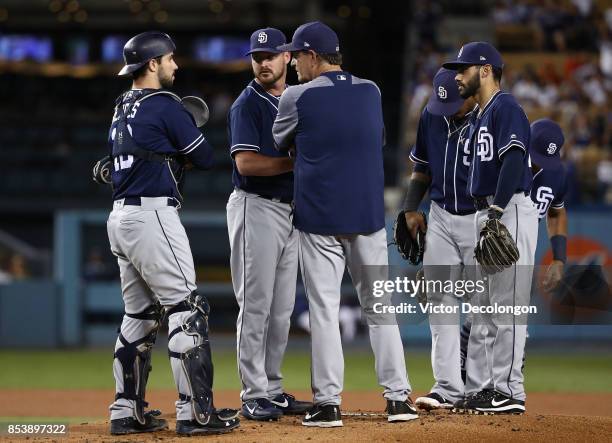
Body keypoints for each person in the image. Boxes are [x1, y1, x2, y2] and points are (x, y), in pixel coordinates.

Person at [273, 21, 418, 427]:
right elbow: (376, 139)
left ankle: (328, 403)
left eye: (297, 55)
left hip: (319, 217)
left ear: (313, 56)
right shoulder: (370, 91)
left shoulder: (296, 96)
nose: (293, 62)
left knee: (324, 310)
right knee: (380, 310)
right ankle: (399, 399)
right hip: (369, 217)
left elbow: (280, 143)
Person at [104, 31, 239, 436]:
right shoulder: (165, 104)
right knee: (187, 309)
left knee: (139, 314)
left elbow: (119, 161)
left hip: (120, 217)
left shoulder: (120, 105)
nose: (175, 65)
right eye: (169, 59)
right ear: (152, 64)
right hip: (152, 217)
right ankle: (196, 412)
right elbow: (206, 157)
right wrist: (180, 139)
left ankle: (125, 411)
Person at [443, 41, 538, 414]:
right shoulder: (482, 113)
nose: (457, 75)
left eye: (463, 68)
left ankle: (510, 391)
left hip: (508, 208)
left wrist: (497, 211)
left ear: (485, 70)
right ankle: (485, 387)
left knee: (507, 306)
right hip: (488, 213)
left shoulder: (506, 107)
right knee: (482, 309)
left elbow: (515, 158)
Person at [226, 27, 311, 421]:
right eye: (257, 57)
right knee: (256, 305)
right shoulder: (248, 104)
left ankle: (272, 389)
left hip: (290, 210)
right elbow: (246, 163)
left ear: (287, 57)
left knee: (282, 310)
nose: (263, 62)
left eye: (270, 55)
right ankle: (253, 392)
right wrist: (298, 162)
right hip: (255, 206)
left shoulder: (296, 99)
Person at [459, 118, 569, 390]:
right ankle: (467, 380)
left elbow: (557, 210)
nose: (542, 163)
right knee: (480, 313)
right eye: (539, 156)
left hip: (522, 246)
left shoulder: (557, 173)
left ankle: (506, 386)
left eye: (548, 158)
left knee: (510, 314)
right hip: (493, 238)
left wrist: (559, 257)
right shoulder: (506, 162)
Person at [400, 67, 477, 411]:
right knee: (438, 299)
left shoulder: (491, 117)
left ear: (471, 93)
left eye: (455, 104)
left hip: (481, 214)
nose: (446, 110)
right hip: (442, 214)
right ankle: (448, 387)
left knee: (485, 305)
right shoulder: (432, 115)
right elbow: (421, 169)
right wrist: (409, 208)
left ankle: (483, 386)